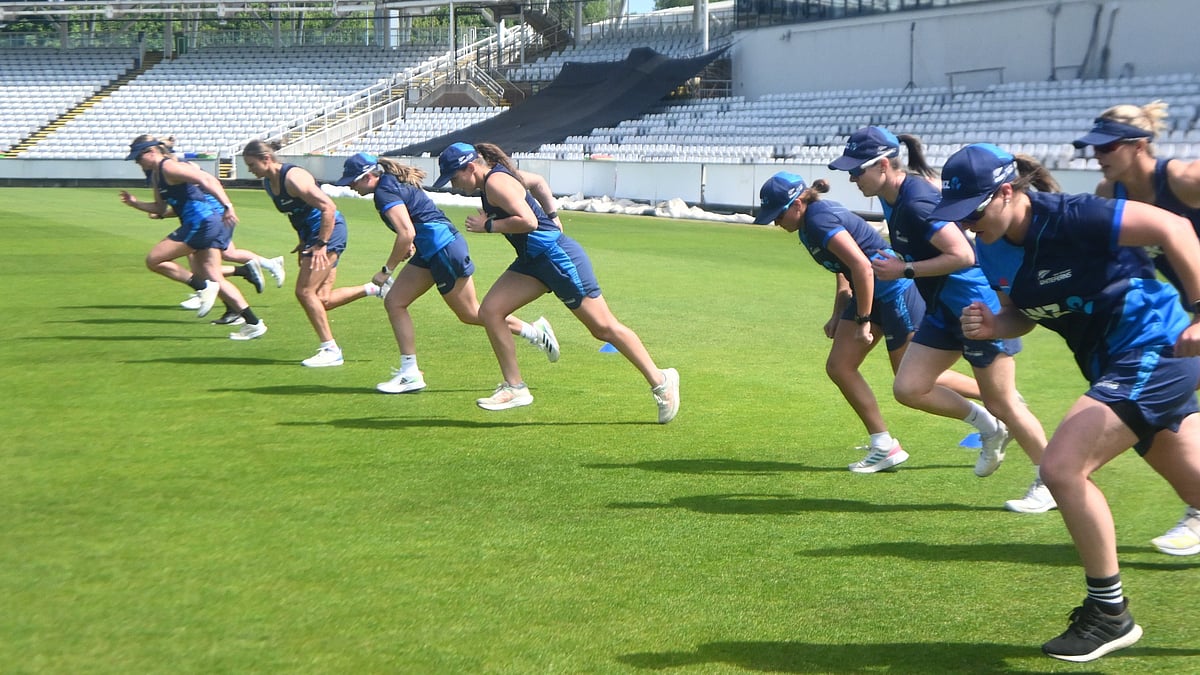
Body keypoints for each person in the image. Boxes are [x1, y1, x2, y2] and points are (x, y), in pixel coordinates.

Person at [932, 142, 1200, 662]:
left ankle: (1108, 614)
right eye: (957, 215)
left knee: (1061, 467)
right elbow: (1023, 313)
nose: (966, 225)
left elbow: (1177, 229)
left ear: (1008, 191)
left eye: (974, 210)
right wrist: (994, 324)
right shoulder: (989, 246)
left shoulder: (1077, 215)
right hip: (1112, 365)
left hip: (1156, 345)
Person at [829, 127, 1053, 512]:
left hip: (974, 307)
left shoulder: (915, 202)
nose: (852, 178)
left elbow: (962, 255)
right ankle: (989, 428)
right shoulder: (892, 195)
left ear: (884, 165)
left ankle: (1051, 482)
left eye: (857, 171)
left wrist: (905, 270)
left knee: (1005, 401)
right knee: (909, 387)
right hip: (943, 307)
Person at [434, 142, 679, 422]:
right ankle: (516, 388)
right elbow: (537, 182)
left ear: (470, 167)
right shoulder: (500, 178)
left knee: (604, 328)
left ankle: (661, 381)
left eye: (455, 177)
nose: (454, 185)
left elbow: (528, 221)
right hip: (532, 261)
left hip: (556, 258)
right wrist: (554, 215)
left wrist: (488, 226)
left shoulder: (496, 184)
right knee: (490, 311)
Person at [1073, 102, 1200, 555]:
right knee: (1171, 416)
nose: (1098, 155)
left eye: (1107, 145)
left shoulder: (1185, 178)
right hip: (1186, 317)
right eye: (1094, 146)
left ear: (1138, 144)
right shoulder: (1110, 192)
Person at [754, 170, 945, 472]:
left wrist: (863, 321)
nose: (776, 222)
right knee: (839, 366)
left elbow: (862, 266)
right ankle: (884, 444)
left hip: (895, 292)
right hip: (870, 293)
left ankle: (993, 407)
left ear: (797, 205)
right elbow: (842, 267)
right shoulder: (808, 223)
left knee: (911, 378)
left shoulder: (818, 219)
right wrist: (838, 310)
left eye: (778, 215)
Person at [332, 151, 560, 392]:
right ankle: (410, 373)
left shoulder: (384, 192)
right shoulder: (390, 182)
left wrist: (386, 270)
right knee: (395, 301)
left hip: (443, 250)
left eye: (353, 181)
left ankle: (535, 333)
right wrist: (410, 243)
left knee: (471, 313)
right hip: (431, 250)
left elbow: (406, 232)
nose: (351, 187)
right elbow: (414, 222)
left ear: (368, 177)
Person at [241, 140, 382, 367]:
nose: (250, 170)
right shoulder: (269, 183)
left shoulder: (294, 178)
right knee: (322, 300)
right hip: (312, 236)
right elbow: (296, 214)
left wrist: (320, 244)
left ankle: (330, 349)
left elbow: (328, 207)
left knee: (304, 292)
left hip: (329, 231)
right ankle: (375, 289)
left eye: (251, 164)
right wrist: (302, 242)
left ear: (266, 159)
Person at [119, 135, 266, 340]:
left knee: (154, 260)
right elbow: (160, 208)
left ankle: (202, 287)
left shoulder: (168, 167)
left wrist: (227, 206)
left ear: (151, 152)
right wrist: (135, 203)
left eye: (138, 158)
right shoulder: (156, 176)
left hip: (202, 223)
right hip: (202, 223)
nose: (137, 163)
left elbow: (206, 179)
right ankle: (253, 323)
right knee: (212, 275)